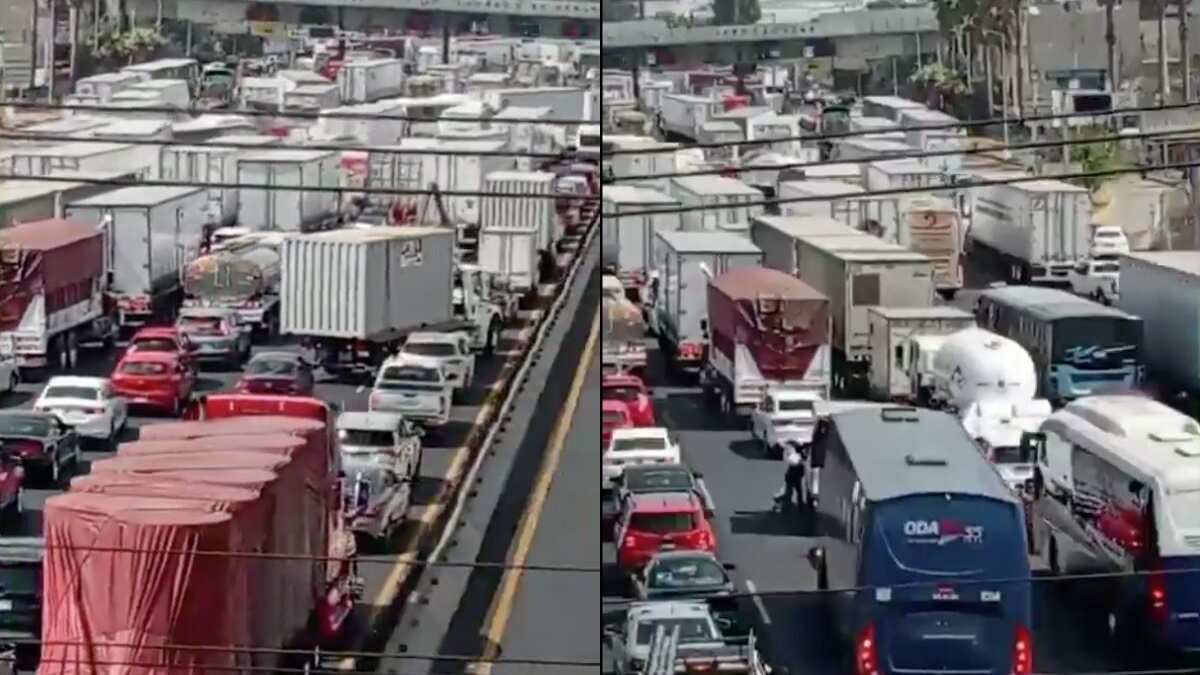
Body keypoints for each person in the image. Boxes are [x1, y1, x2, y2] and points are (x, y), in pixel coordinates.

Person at [773, 442, 806, 509]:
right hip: (794, 475)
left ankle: (789, 501)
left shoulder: (795, 456)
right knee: (796, 489)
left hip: (793, 475)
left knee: (793, 489)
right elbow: (796, 465)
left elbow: (793, 464)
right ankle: (798, 502)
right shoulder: (796, 457)